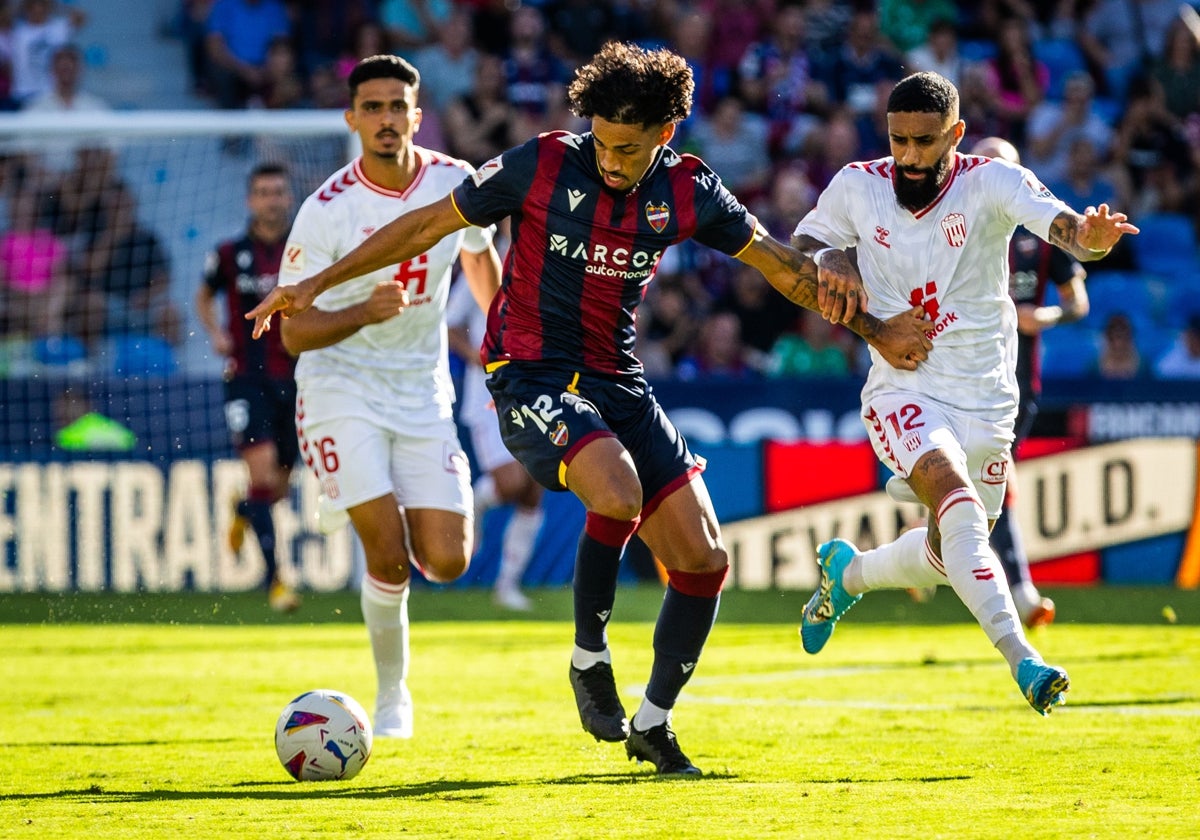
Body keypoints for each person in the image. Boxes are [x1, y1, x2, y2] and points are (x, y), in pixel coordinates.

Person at [246, 41, 933, 774]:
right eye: (601, 142)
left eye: (628, 149)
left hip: (619, 379)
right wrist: (313, 284)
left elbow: (782, 268)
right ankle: (588, 658)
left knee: (704, 559)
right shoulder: (539, 164)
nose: (609, 160)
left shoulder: (691, 189)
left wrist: (876, 330)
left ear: (665, 136)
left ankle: (654, 723)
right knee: (617, 490)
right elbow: (422, 227)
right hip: (532, 374)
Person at [793, 71, 1137, 715]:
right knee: (955, 502)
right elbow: (804, 241)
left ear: (955, 135)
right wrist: (828, 258)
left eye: (925, 142)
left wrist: (1089, 240)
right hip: (903, 386)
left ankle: (849, 575)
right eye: (898, 140)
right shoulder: (857, 186)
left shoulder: (991, 181)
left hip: (987, 395)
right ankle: (1025, 661)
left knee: (948, 548)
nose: (909, 156)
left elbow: (1065, 230)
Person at [267, 55, 502, 738]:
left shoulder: (454, 182)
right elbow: (293, 333)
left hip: (422, 390)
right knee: (389, 551)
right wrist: (361, 313)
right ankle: (393, 695)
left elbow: (479, 254)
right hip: (340, 385)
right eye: (372, 108)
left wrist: (500, 335)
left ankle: (372, 505)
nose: (386, 119)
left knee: (450, 559)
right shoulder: (326, 211)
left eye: (397, 106)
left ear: (417, 117)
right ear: (352, 120)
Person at [971, 135, 1090, 629]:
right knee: (988, 482)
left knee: (986, 485)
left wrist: (1044, 315)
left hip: (1015, 385)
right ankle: (1019, 591)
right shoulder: (950, 230)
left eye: (1004, 167)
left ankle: (917, 548)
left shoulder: (1038, 236)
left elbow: (1078, 301)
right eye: (984, 165)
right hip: (956, 378)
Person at [195, 162, 301, 613]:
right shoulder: (228, 253)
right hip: (246, 378)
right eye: (263, 192)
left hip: (297, 379)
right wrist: (216, 333)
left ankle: (243, 511)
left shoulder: (305, 250)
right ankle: (276, 581)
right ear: (249, 200)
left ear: (288, 197)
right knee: (261, 475)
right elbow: (203, 294)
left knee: (275, 488)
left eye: (278, 191)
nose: (271, 199)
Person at [446, 269, 544, 612]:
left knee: (535, 489)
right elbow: (450, 323)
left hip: (534, 390)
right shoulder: (483, 262)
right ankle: (478, 501)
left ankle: (507, 586)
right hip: (488, 395)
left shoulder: (545, 258)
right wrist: (476, 356)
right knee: (513, 481)